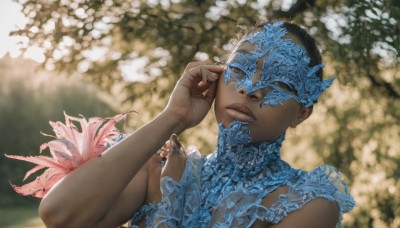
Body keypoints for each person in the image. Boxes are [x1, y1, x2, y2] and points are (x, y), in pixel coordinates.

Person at [33, 20, 355, 227]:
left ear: (302, 112)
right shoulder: (161, 168)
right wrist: (172, 118)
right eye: (240, 68)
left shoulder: (309, 203)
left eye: (280, 80)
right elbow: (59, 214)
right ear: (218, 74)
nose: (250, 88)